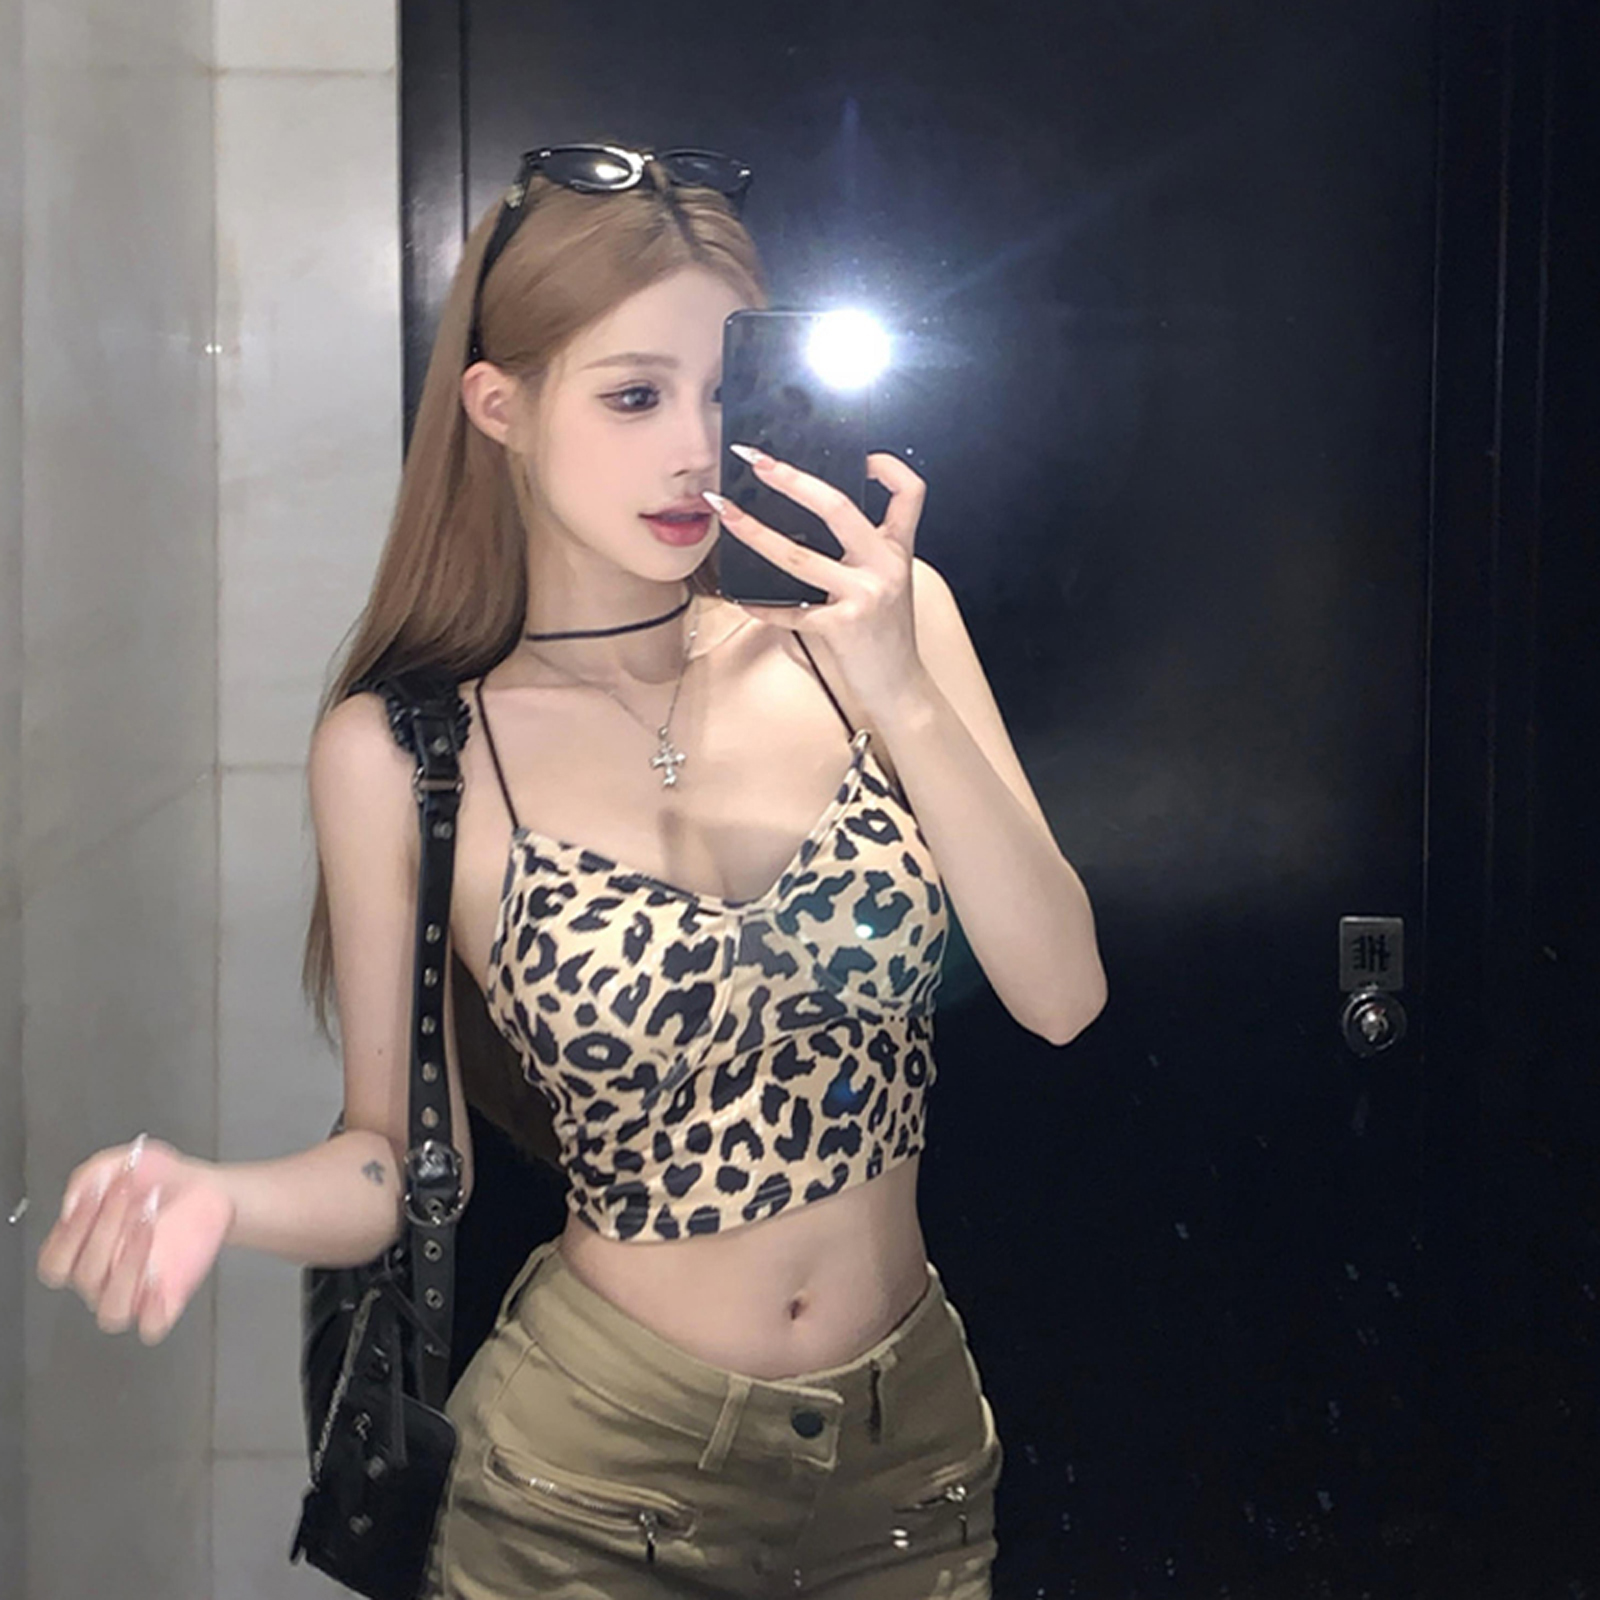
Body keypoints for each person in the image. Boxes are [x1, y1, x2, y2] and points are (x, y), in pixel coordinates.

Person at [33, 143, 1107, 1597]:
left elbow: (1062, 995)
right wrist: (219, 1198)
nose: (693, 448)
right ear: (502, 407)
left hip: (903, 1464)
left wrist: (900, 689)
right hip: (589, 1490)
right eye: (633, 395)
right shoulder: (406, 749)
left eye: (724, 389)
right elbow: (397, 1158)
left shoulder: (879, 627)